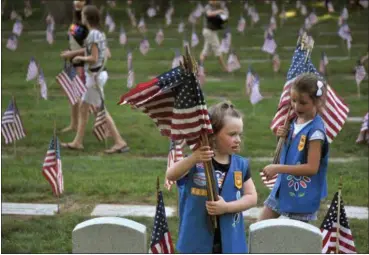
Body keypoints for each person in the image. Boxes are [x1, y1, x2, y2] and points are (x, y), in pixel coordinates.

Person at [166, 101, 257, 253]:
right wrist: (194, 158)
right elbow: (171, 174)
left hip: (229, 242)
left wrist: (227, 207)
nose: (238, 139)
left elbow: (252, 197)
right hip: (196, 241)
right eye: (232, 134)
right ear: (213, 135)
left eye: (239, 134)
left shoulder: (241, 165)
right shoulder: (197, 161)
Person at [258, 73, 329, 223]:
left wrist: (278, 168)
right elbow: (294, 150)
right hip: (282, 188)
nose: (296, 106)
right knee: (259, 229)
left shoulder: (316, 132)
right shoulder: (294, 121)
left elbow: (311, 168)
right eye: (293, 100)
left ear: (317, 102)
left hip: (302, 196)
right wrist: (281, 137)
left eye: (303, 103)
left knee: (295, 239)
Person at [61, 5, 129, 154]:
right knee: (84, 108)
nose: (81, 17)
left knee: (101, 110)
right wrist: (75, 54)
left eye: (83, 15)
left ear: (86, 18)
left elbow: (94, 57)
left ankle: (119, 142)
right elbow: (94, 52)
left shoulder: (92, 35)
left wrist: (78, 57)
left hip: (95, 76)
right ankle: (78, 142)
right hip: (97, 75)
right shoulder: (98, 33)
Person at [60, 0, 90, 133]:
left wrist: (71, 53)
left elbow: (90, 48)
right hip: (72, 61)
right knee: (72, 94)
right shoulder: (76, 17)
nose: (77, 1)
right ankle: (73, 124)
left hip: (82, 63)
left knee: (83, 97)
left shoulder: (88, 19)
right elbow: (74, 40)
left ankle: (103, 126)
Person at [200, 0, 229, 72]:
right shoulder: (208, 7)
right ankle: (224, 68)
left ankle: (199, 67)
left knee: (206, 51)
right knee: (217, 50)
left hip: (211, 31)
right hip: (209, 31)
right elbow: (209, 14)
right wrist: (219, 11)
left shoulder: (214, 8)